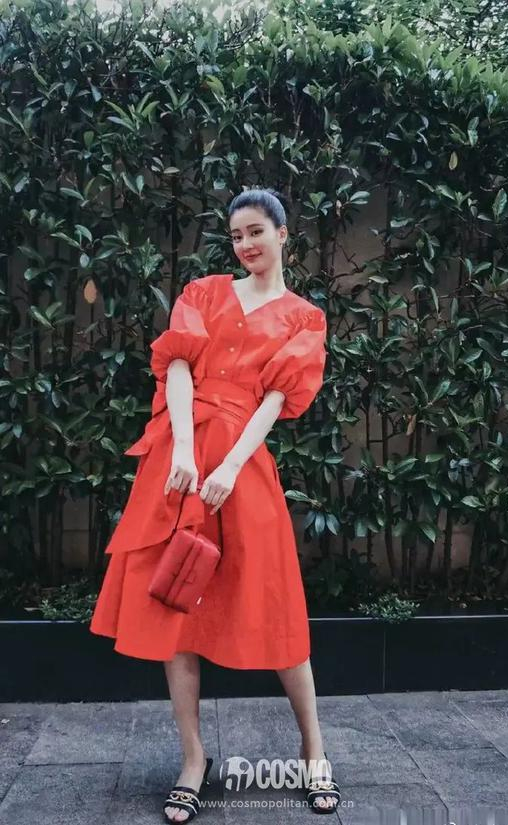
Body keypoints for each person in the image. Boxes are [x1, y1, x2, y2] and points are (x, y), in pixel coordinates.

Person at [89, 187, 341, 820]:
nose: (245, 244)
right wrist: (181, 449)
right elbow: (177, 366)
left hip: (242, 466)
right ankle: (193, 759)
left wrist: (227, 466)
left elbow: (276, 401)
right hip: (177, 460)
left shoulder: (305, 318)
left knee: (274, 604)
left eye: (256, 231)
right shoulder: (202, 293)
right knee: (176, 604)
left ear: (283, 234)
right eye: (236, 236)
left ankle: (314, 753)